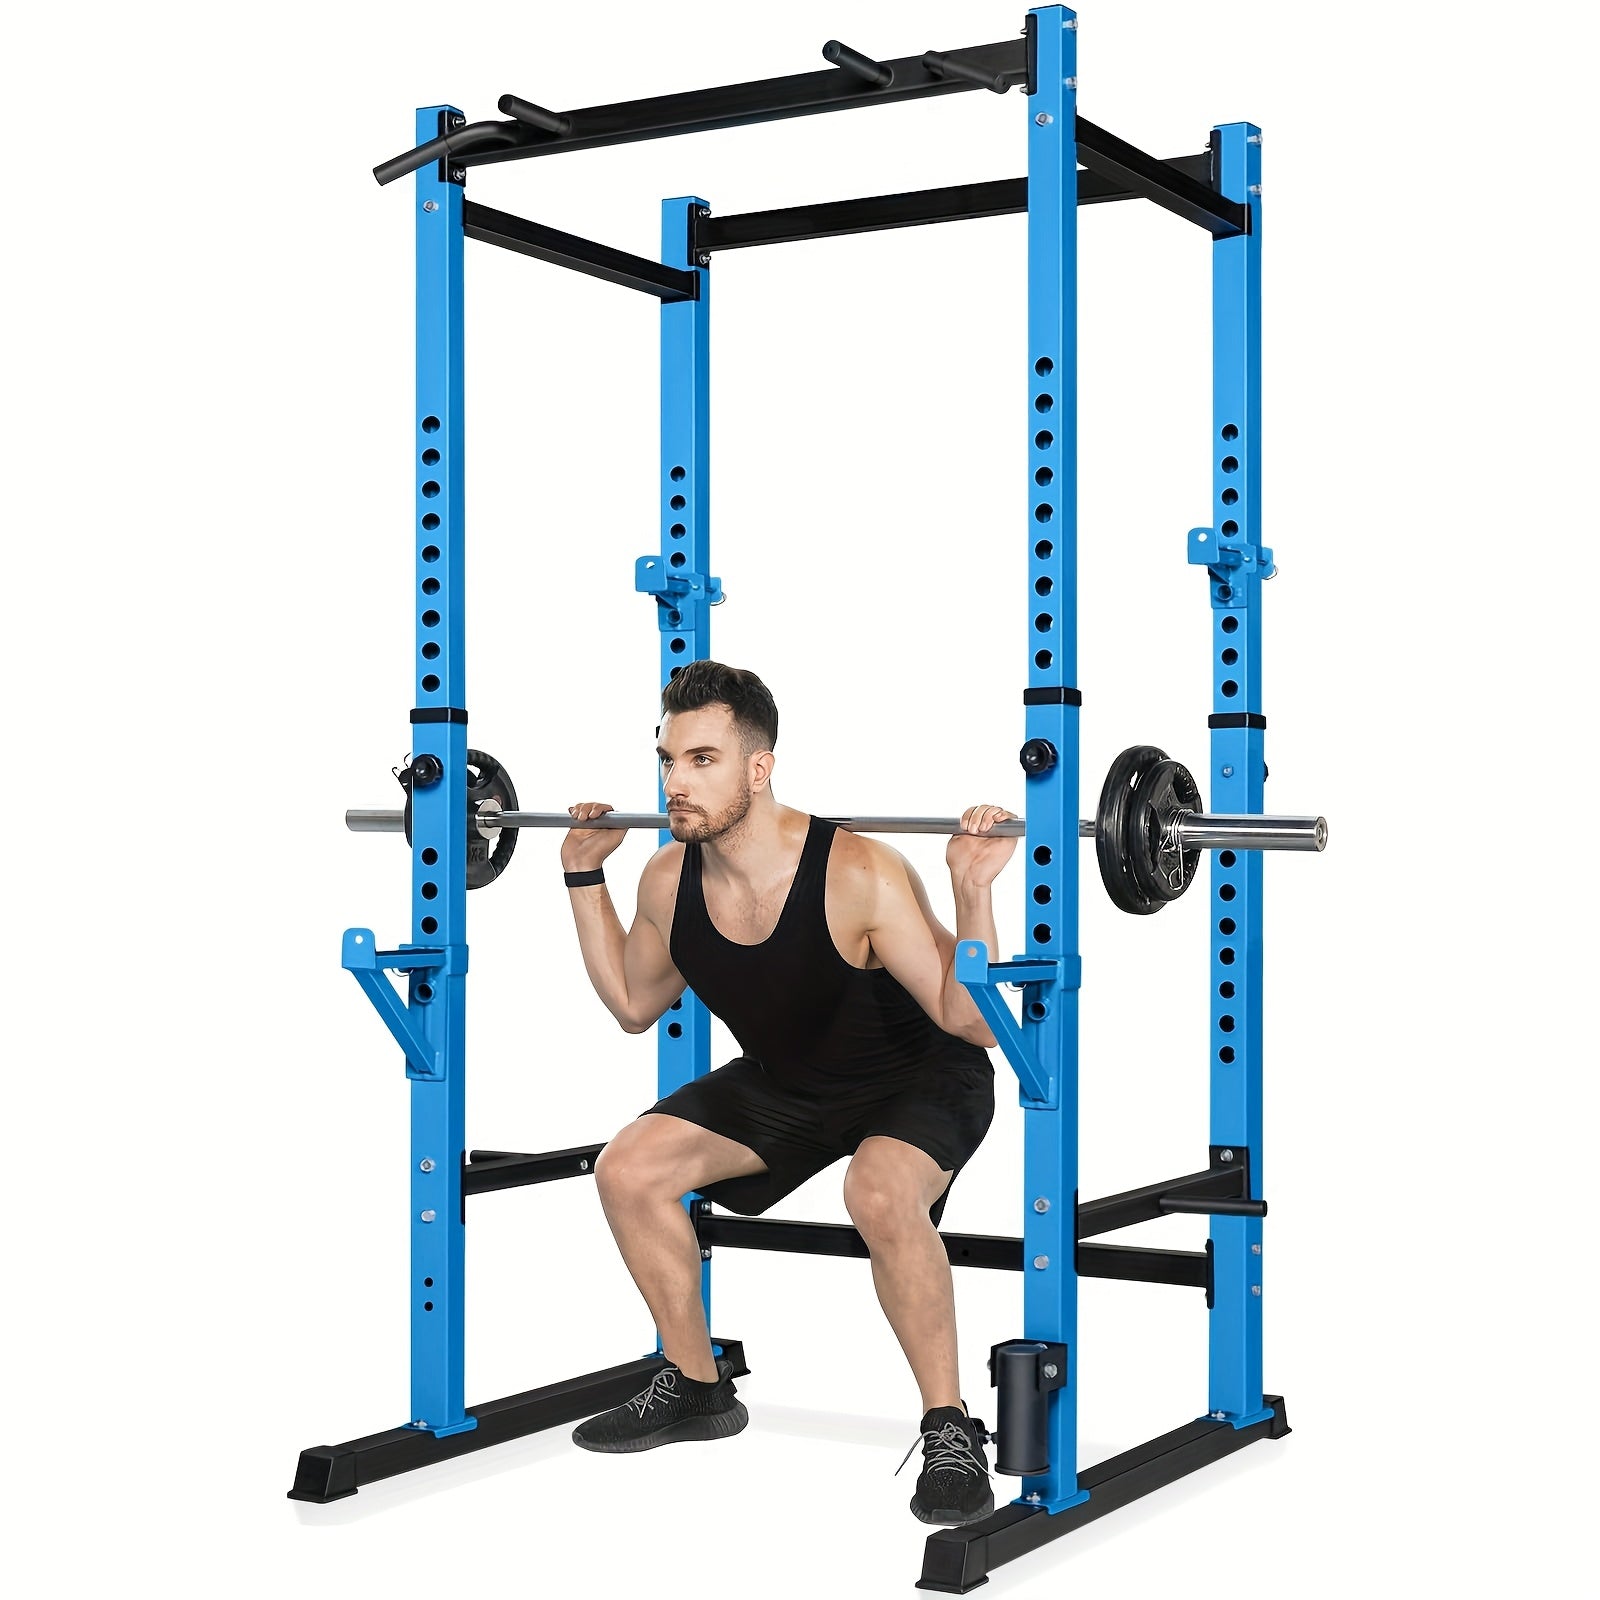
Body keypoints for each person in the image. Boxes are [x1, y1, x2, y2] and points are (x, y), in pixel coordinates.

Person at [560, 660, 1016, 1526]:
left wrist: (971, 890)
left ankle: (949, 1426)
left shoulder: (861, 873)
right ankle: (697, 1386)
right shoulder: (668, 876)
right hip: (790, 1081)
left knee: (877, 1191)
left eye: (701, 760)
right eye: (667, 760)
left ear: (758, 768)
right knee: (630, 1168)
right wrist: (584, 878)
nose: (674, 783)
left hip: (920, 1076)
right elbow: (631, 1003)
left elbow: (971, 1020)